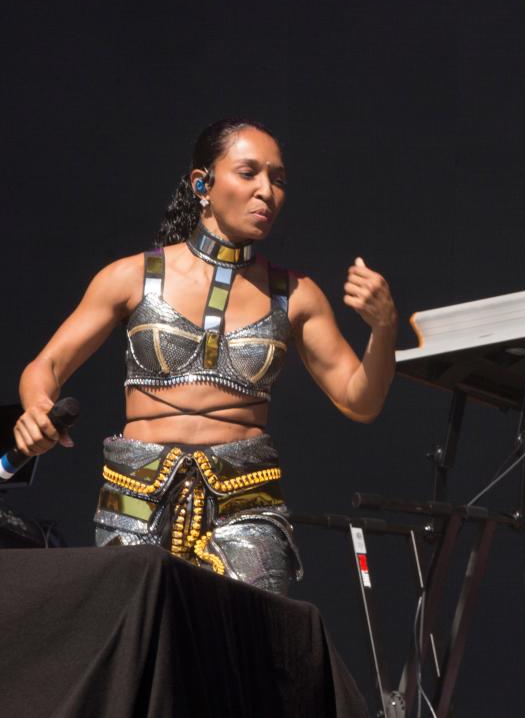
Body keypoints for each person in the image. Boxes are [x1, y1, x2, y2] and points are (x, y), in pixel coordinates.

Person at [15, 119, 397, 595]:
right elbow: (46, 366)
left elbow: (359, 401)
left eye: (277, 180)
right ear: (203, 184)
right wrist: (35, 408)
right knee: (141, 646)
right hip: (135, 497)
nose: (266, 191)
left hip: (246, 504)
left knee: (246, 648)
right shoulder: (133, 277)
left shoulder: (295, 295)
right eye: (249, 173)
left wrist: (383, 328)